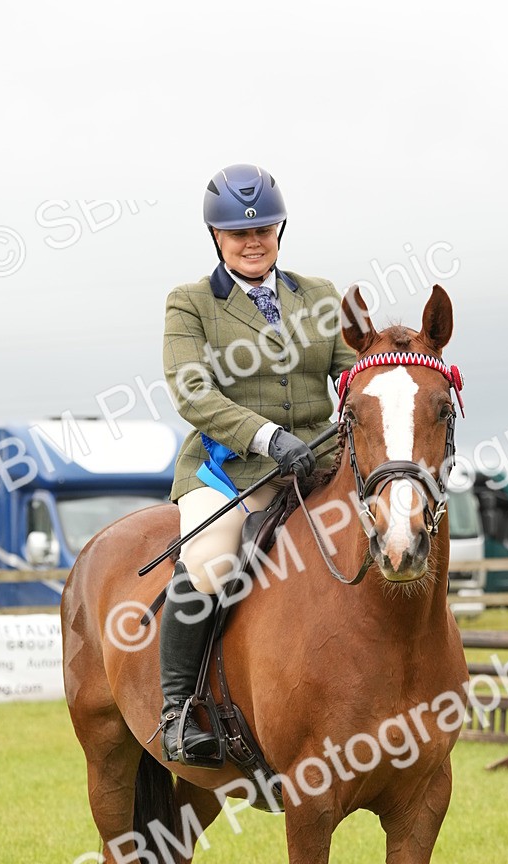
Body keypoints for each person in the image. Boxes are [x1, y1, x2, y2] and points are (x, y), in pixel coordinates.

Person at [157, 162, 355, 765]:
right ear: (216, 237)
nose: (252, 242)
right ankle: (177, 710)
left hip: (318, 465)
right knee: (212, 560)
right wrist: (268, 438)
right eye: (239, 233)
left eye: (263, 230)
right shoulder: (191, 303)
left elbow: (351, 375)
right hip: (231, 472)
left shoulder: (319, 296)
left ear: (279, 230)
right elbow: (193, 392)